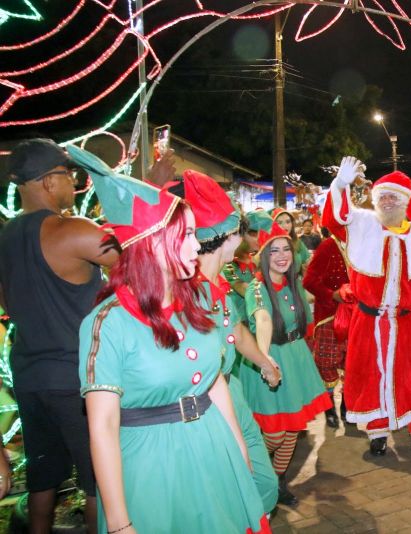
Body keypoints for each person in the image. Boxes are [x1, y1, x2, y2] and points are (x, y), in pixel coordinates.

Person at [72, 147, 270, 534]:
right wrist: (118, 522)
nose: (198, 246)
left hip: (213, 453)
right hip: (152, 469)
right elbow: (103, 427)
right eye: (188, 235)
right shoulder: (108, 323)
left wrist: (240, 455)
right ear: (151, 243)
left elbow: (214, 385)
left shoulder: (194, 303)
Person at [0, 138, 128, 534]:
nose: (74, 185)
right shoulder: (72, 230)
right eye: (68, 176)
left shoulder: (3, 238)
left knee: (43, 477)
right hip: (77, 380)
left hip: (30, 376)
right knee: (97, 483)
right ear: (46, 182)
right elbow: (135, 254)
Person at [172, 170, 282, 512]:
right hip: (205, 402)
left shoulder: (215, 282)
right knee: (236, 489)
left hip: (230, 389)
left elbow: (235, 330)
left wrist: (265, 362)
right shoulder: (188, 289)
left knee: (262, 484)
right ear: (229, 233)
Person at [322, 158, 411, 456]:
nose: (387, 202)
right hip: (368, 320)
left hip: (407, 322)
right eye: (382, 197)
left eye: (394, 197)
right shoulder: (362, 224)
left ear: (404, 202)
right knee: (369, 375)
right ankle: (377, 431)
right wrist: (340, 184)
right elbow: (335, 220)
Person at [239, 222, 332, 506]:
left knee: (292, 429)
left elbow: (304, 320)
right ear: (263, 255)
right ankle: (254, 471)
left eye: (286, 249)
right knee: (275, 432)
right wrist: (265, 358)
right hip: (270, 359)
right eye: (274, 250)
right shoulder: (257, 288)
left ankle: (278, 479)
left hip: (296, 357)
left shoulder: (295, 284)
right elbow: (263, 319)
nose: (281, 255)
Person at [302, 233, 350, 428]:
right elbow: (309, 281)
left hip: (359, 316)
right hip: (330, 315)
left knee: (353, 363)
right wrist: (333, 295)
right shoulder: (328, 246)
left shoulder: (366, 243)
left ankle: (348, 405)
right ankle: (330, 407)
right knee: (326, 363)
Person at [270, 208, 311, 273]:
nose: (285, 226)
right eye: (279, 223)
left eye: (288, 222)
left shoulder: (297, 242)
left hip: (296, 282)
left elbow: (308, 262)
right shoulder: (268, 245)